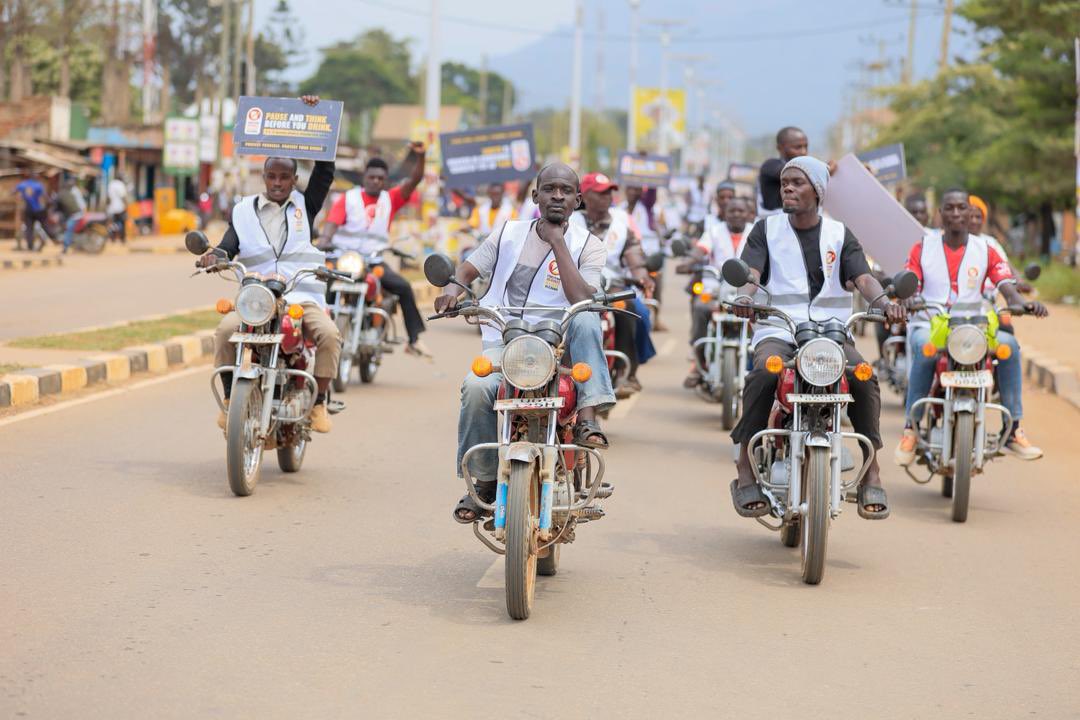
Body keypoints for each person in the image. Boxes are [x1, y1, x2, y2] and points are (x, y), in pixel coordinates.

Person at [434, 163, 617, 523]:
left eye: (566, 191)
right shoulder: (507, 233)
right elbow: (467, 271)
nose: (558, 196)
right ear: (535, 196)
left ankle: (588, 418)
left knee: (585, 314)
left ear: (578, 200)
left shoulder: (589, 246)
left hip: (560, 348)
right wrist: (452, 290)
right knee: (476, 387)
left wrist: (557, 241)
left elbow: (581, 295)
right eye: (550, 189)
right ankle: (483, 481)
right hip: (507, 343)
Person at [730, 156, 905, 519]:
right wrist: (746, 295)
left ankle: (871, 470)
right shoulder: (767, 229)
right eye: (784, 183)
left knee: (863, 375)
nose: (788, 189)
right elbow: (751, 270)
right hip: (778, 328)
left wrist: (886, 303)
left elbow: (863, 277)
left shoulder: (840, 234)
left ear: (818, 191)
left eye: (797, 182)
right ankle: (745, 468)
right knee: (764, 372)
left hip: (830, 333)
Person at [197, 95, 340, 434]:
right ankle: (232, 399)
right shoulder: (243, 210)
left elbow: (325, 170)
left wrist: (315, 116)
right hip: (257, 299)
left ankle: (318, 403)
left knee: (331, 335)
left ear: (294, 180)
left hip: (301, 298)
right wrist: (212, 257)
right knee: (224, 331)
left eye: (284, 177)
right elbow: (227, 247)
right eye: (272, 176)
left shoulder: (308, 204)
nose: (277, 182)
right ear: (264, 177)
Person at [895, 189, 1048, 464]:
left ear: (970, 213)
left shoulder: (986, 249)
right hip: (931, 323)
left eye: (961, 208)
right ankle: (911, 429)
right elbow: (911, 280)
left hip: (973, 328)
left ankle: (1013, 429)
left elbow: (1005, 283)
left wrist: (1021, 303)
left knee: (1010, 345)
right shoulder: (922, 247)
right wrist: (909, 298)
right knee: (924, 349)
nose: (955, 214)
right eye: (949, 208)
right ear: (940, 215)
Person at [322, 146, 430, 357]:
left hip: (374, 262)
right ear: (365, 177)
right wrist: (324, 240)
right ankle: (315, 333)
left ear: (386, 180)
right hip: (344, 260)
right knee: (321, 282)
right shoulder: (348, 199)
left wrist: (422, 156)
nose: (376, 182)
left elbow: (415, 180)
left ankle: (414, 339)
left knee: (404, 287)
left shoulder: (391, 199)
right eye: (372, 177)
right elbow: (331, 224)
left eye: (381, 179)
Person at [571, 172, 657, 398]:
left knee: (631, 310)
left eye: (610, 191)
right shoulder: (569, 222)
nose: (608, 196)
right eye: (600, 193)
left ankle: (625, 373)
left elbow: (634, 255)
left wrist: (642, 275)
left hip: (613, 287)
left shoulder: (621, 226)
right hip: (575, 287)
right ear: (584, 197)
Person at [682, 196, 752, 387]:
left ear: (748, 214)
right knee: (700, 307)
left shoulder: (757, 232)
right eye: (732, 211)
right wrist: (687, 262)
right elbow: (701, 250)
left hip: (748, 291)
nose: (736, 214)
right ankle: (698, 362)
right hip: (714, 287)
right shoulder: (714, 231)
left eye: (741, 211)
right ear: (725, 214)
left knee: (762, 318)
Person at [757, 126, 809, 217]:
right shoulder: (770, 165)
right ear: (780, 148)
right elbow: (791, 171)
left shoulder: (806, 168)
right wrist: (826, 168)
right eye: (798, 147)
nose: (803, 152)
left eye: (805, 147)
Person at [14, 172, 49, 251]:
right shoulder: (39, 185)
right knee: (43, 226)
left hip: (28, 210)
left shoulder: (23, 184)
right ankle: (44, 240)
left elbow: (14, 191)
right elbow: (45, 196)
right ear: (37, 178)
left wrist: (20, 196)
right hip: (39, 209)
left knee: (29, 228)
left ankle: (30, 246)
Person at [57, 177, 87, 254]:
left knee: (68, 230)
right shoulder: (69, 191)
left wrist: (84, 213)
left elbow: (81, 204)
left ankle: (65, 247)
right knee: (68, 229)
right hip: (72, 214)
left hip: (75, 215)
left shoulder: (74, 191)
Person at [107, 173, 129, 243]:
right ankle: (122, 238)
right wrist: (126, 205)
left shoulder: (111, 184)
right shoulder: (121, 185)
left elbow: (108, 197)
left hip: (112, 208)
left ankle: (112, 238)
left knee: (113, 223)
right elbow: (123, 196)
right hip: (120, 207)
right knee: (122, 223)